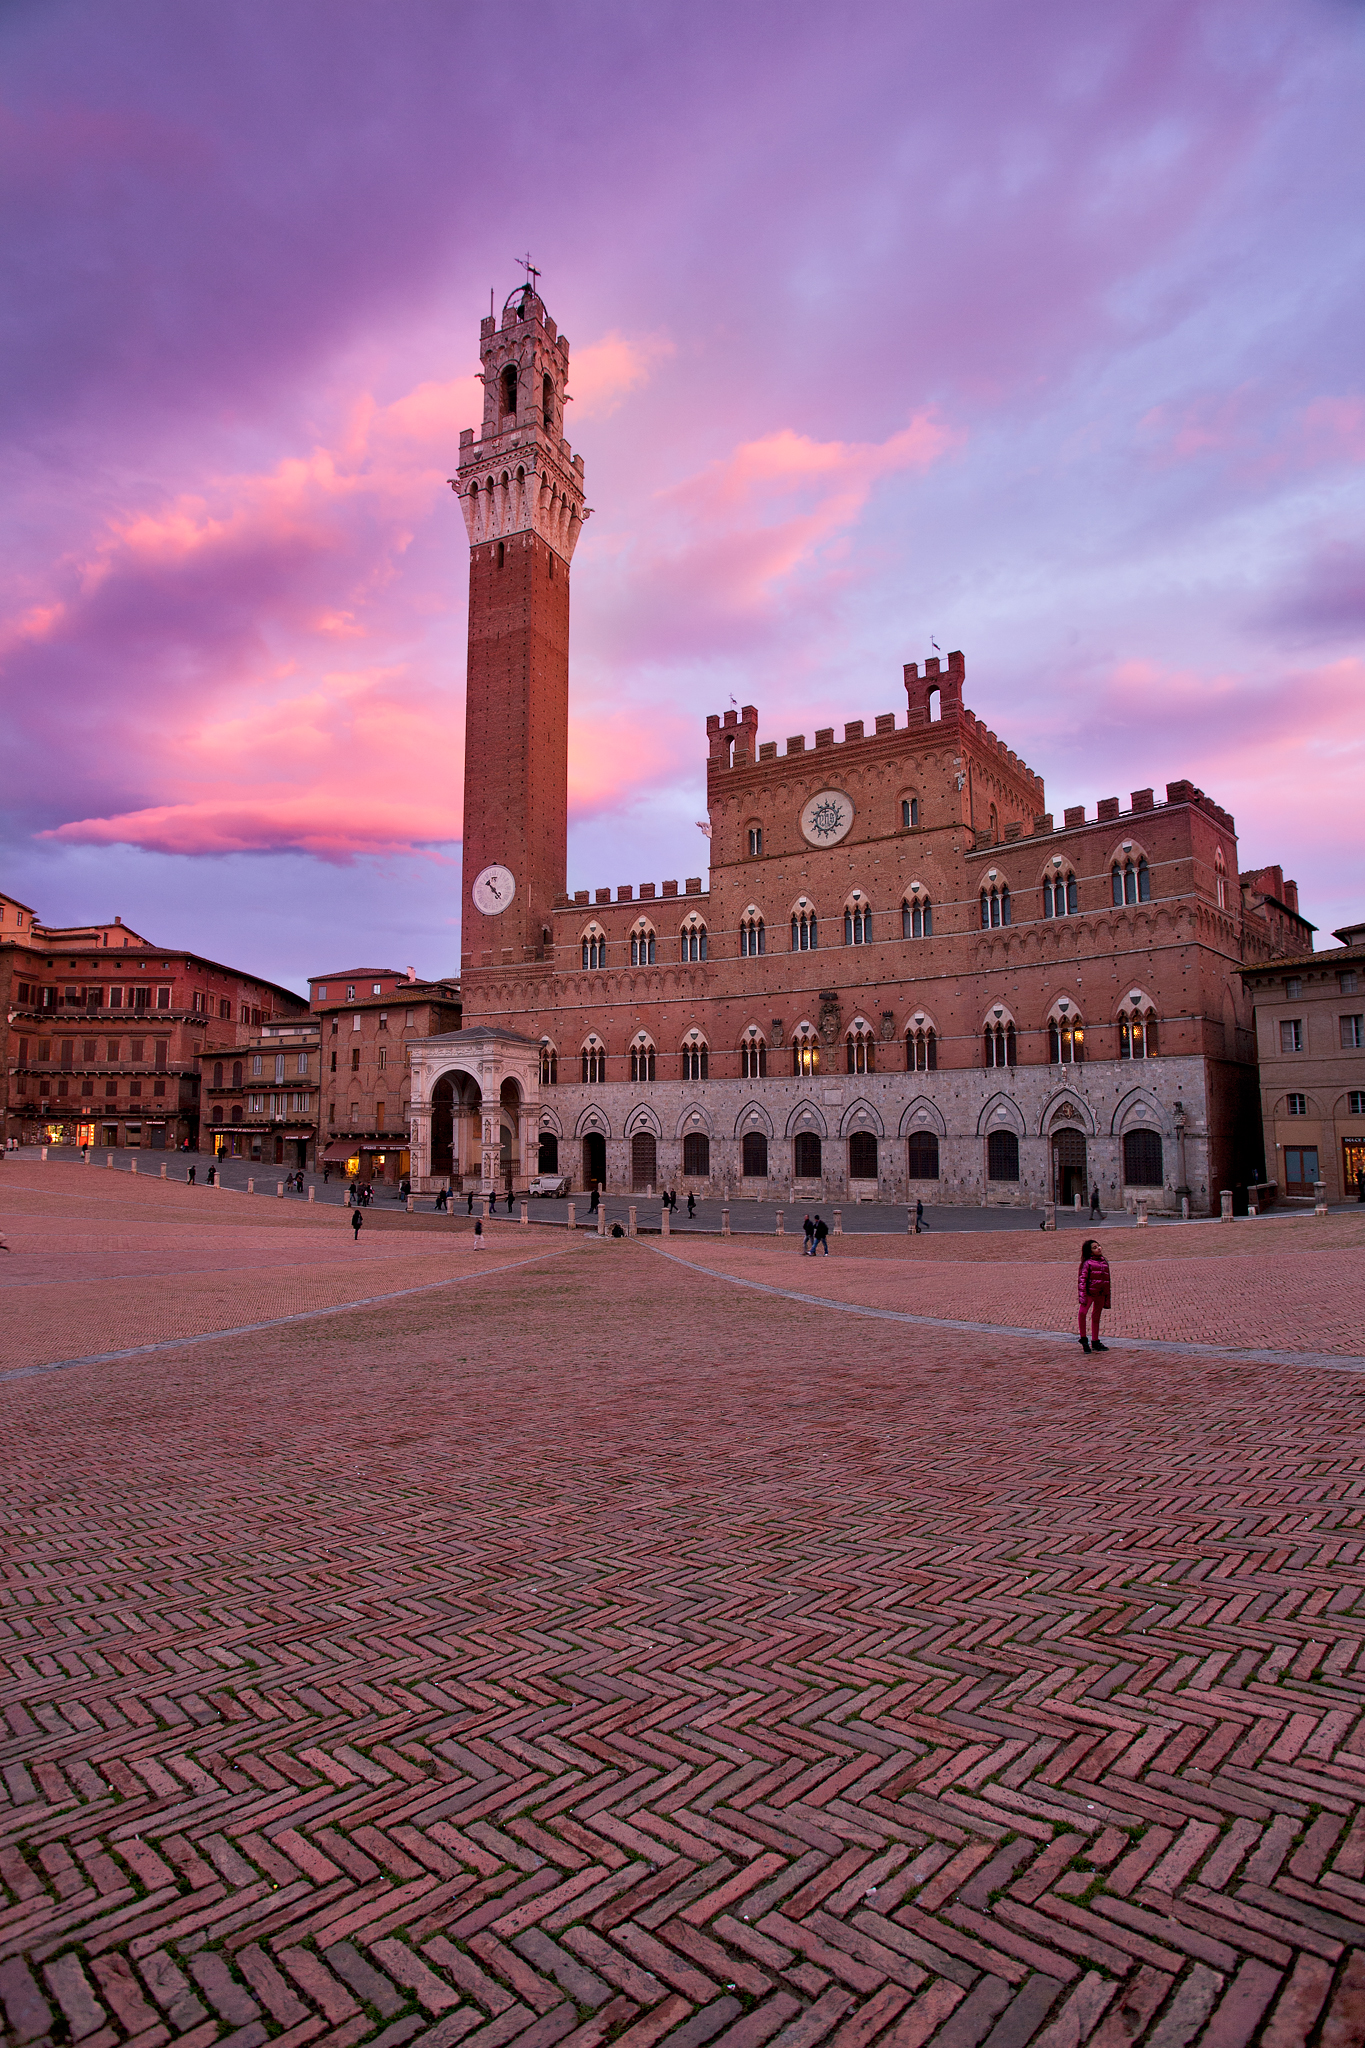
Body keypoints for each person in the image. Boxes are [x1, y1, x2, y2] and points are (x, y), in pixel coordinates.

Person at [1077, 1238, 1110, 1352]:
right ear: (1090, 1252)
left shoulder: (1104, 1262)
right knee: (1082, 1313)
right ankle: (1083, 1338)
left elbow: (1106, 1280)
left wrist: (1106, 1295)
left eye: (1099, 1246)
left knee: (1096, 1317)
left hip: (1100, 1293)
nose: (1099, 1248)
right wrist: (1083, 1295)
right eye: (1095, 1247)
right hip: (1090, 1293)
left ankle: (1095, 1341)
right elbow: (1082, 1280)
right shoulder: (1087, 1263)